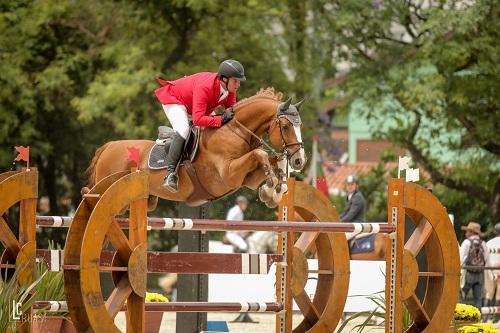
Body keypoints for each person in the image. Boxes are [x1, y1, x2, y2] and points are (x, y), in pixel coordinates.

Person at [154, 59, 246, 192]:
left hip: (195, 106)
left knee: (216, 128)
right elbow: (198, 119)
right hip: (175, 100)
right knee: (184, 129)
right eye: (235, 80)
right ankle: (170, 175)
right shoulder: (206, 87)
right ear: (224, 79)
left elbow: (231, 111)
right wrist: (220, 119)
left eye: (239, 81)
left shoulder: (230, 89)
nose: (238, 84)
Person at [459, 221, 489, 309]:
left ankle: (460, 317)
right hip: (480, 275)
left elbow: (461, 259)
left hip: (468, 273)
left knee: (460, 295)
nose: (466, 233)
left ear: (471, 232)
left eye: (467, 231)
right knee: (478, 299)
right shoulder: (483, 243)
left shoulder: (466, 242)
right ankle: (478, 318)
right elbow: (487, 260)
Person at [340, 175, 366, 240]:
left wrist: (339, 222)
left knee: (341, 238)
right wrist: (336, 219)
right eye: (348, 184)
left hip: (357, 225)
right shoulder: (349, 196)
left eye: (352, 184)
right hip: (351, 225)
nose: (350, 186)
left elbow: (351, 214)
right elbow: (345, 213)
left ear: (356, 185)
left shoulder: (357, 197)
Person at [485, 223, 500, 311]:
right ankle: (496, 317)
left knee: (488, 293)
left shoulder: (489, 243)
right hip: (499, 269)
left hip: (489, 269)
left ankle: (486, 315)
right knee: (499, 294)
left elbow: (485, 257)